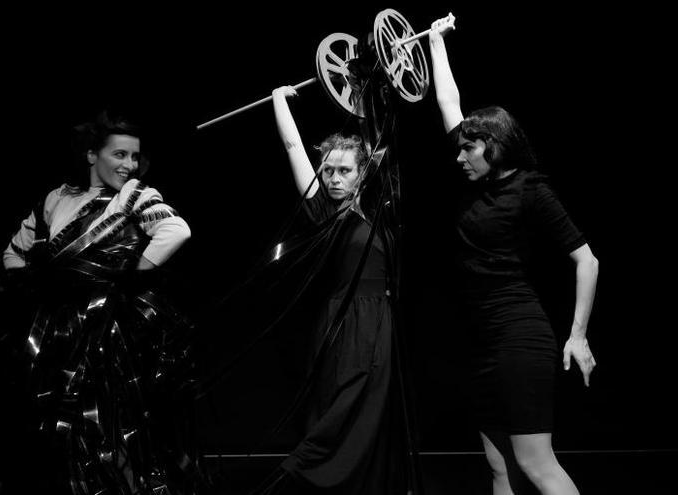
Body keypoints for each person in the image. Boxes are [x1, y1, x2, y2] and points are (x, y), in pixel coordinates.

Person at [427, 14, 599, 495]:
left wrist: (578, 336)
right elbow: (447, 101)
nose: (459, 158)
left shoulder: (530, 191)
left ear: (495, 147)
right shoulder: (471, 184)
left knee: (536, 464)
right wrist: (437, 42)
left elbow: (588, 260)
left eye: (469, 149)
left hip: (519, 337)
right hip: (480, 343)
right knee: (500, 467)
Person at [0, 110, 196, 495]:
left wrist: (128, 277)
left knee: (109, 426)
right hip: (54, 330)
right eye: (119, 155)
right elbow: (13, 254)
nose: (129, 165)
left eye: (134, 157)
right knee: (50, 423)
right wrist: (34, 288)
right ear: (91, 155)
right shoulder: (57, 198)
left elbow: (175, 231)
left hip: (106, 334)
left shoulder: (133, 196)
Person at [249, 86, 408, 494]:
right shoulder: (321, 209)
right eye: (329, 171)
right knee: (334, 408)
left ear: (362, 173)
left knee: (370, 408)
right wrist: (279, 100)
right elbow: (292, 146)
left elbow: (377, 139)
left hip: (379, 320)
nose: (335, 179)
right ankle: (304, 476)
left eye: (345, 171)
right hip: (339, 321)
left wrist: (361, 91)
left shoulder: (378, 207)